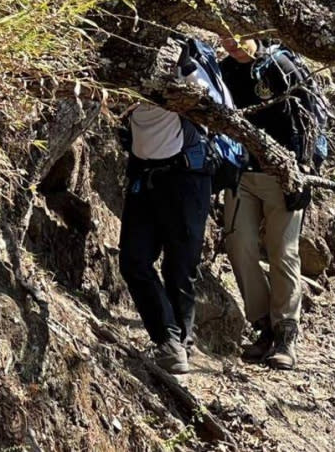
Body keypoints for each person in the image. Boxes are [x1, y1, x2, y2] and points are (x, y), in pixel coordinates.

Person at [118, 38, 236, 374]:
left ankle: (179, 341)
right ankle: (168, 338)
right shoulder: (123, 70)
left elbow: (217, 113)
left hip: (187, 178)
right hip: (146, 177)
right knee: (133, 260)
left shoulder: (190, 75)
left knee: (180, 266)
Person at [219, 36, 322, 370]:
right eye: (224, 36)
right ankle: (263, 324)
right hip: (241, 174)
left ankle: (285, 335)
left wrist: (304, 171)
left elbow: (309, 119)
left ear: (255, 35)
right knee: (239, 245)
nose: (231, 43)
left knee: (282, 251)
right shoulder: (223, 72)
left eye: (238, 36)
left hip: (284, 176)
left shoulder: (280, 66)